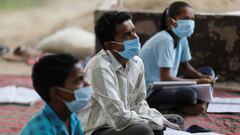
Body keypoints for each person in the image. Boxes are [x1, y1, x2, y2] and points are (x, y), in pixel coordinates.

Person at [78, 11, 184, 135]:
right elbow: (118, 118)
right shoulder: (99, 68)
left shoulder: (136, 62)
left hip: (127, 121)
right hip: (100, 128)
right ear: (110, 45)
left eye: (134, 31)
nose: (135, 37)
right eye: (126, 35)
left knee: (176, 120)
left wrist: (157, 119)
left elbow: (139, 103)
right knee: (144, 131)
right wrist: (155, 123)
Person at [139, 1, 215, 114]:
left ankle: (198, 104)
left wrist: (201, 77)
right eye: (186, 18)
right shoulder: (165, 40)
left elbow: (185, 66)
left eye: (192, 19)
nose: (190, 23)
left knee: (208, 71)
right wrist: (198, 81)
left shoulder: (182, 38)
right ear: (171, 21)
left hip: (166, 84)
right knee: (189, 94)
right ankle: (183, 106)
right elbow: (166, 78)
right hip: (151, 91)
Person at [20, 54, 91, 135]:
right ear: (58, 93)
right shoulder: (41, 132)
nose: (87, 85)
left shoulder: (71, 117)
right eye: (78, 81)